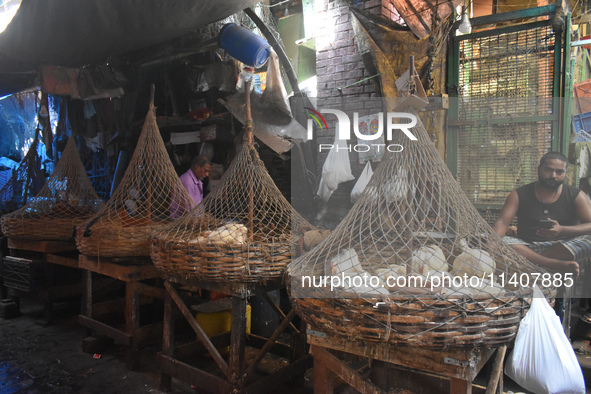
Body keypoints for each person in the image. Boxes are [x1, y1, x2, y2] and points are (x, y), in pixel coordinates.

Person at [493, 151, 591, 278]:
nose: (553, 175)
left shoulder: (576, 195)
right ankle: (552, 263)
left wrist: (562, 230)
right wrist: (493, 242)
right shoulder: (518, 194)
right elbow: (502, 223)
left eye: (559, 172)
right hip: (527, 246)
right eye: (548, 170)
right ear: (539, 169)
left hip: (563, 248)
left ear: (565, 173)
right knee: (494, 239)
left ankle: (530, 262)